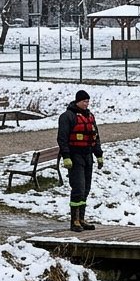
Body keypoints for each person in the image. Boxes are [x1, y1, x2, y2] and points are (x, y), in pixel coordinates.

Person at [57, 89, 105, 233]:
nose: (86, 104)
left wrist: (99, 155)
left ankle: (82, 218)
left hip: (87, 156)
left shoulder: (90, 116)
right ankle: (74, 220)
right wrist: (66, 156)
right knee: (78, 188)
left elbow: (95, 137)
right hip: (75, 156)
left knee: (86, 189)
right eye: (84, 101)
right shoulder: (67, 117)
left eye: (88, 101)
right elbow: (62, 138)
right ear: (78, 101)